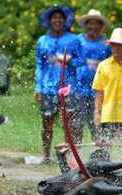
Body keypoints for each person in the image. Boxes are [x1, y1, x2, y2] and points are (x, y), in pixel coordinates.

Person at [35, 5, 83, 164]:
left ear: (65, 20)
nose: (57, 21)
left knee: (70, 123)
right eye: (54, 18)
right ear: (49, 20)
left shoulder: (74, 40)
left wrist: (71, 60)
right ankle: (46, 155)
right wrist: (38, 87)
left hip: (68, 87)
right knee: (47, 121)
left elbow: (81, 61)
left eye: (60, 18)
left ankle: (68, 155)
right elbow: (39, 65)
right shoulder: (42, 40)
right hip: (48, 87)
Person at [74, 9, 111, 144]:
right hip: (78, 89)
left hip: (99, 91)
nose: (93, 26)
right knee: (76, 124)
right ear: (86, 25)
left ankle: (98, 155)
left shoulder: (106, 44)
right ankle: (76, 152)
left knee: (97, 124)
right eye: (90, 23)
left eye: (97, 24)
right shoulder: (77, 41)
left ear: (101, 26)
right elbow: (69, 61)